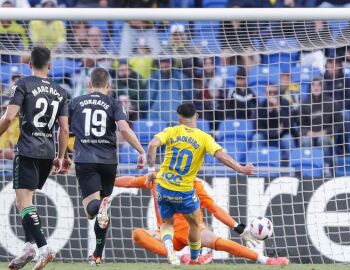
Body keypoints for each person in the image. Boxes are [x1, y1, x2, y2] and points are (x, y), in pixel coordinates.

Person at [146, 102, 256, 265]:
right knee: (195, 224)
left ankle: (169, 248)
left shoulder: (170, 131)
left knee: (167, 224)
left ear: (179, 118)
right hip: (183, 190)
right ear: (196, 116)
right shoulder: (204, 138)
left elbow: (152, 145)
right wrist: (240, 168)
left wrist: (150, 170)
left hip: (162, 187)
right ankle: (195, 258)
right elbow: (221, 156)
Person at [114, 175, 289, 266]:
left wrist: (237, 227)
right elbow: (130, 182)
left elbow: (214, 208)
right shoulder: (157, 177)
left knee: (219, 243)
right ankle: (182, 257)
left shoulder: (194, 184)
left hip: (193, 230)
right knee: (137, 234)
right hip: (169, 235)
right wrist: (105, 183)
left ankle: (266, 260)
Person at [0, 47, 70, 270]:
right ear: (50, 65)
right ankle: (29, 246)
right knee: (28, 199)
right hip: (48, 153)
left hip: (28, 149)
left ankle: (43, 248)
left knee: (23, 202)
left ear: (29, 64)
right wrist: (61, 157)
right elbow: (65, 129)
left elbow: (9, 116)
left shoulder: (23, 84)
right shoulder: (60, 91)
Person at [69, 67, 146, 266]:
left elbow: (63, 129)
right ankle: (97, 254)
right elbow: (124, 129)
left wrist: (60, 155)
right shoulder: (114, 103)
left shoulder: (75, 102)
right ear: (109, 86)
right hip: (109, 161)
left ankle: (99, 207)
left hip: (85, 159)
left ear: (88, 84)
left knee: (91, 209)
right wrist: (141, 151)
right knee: (103, 206)